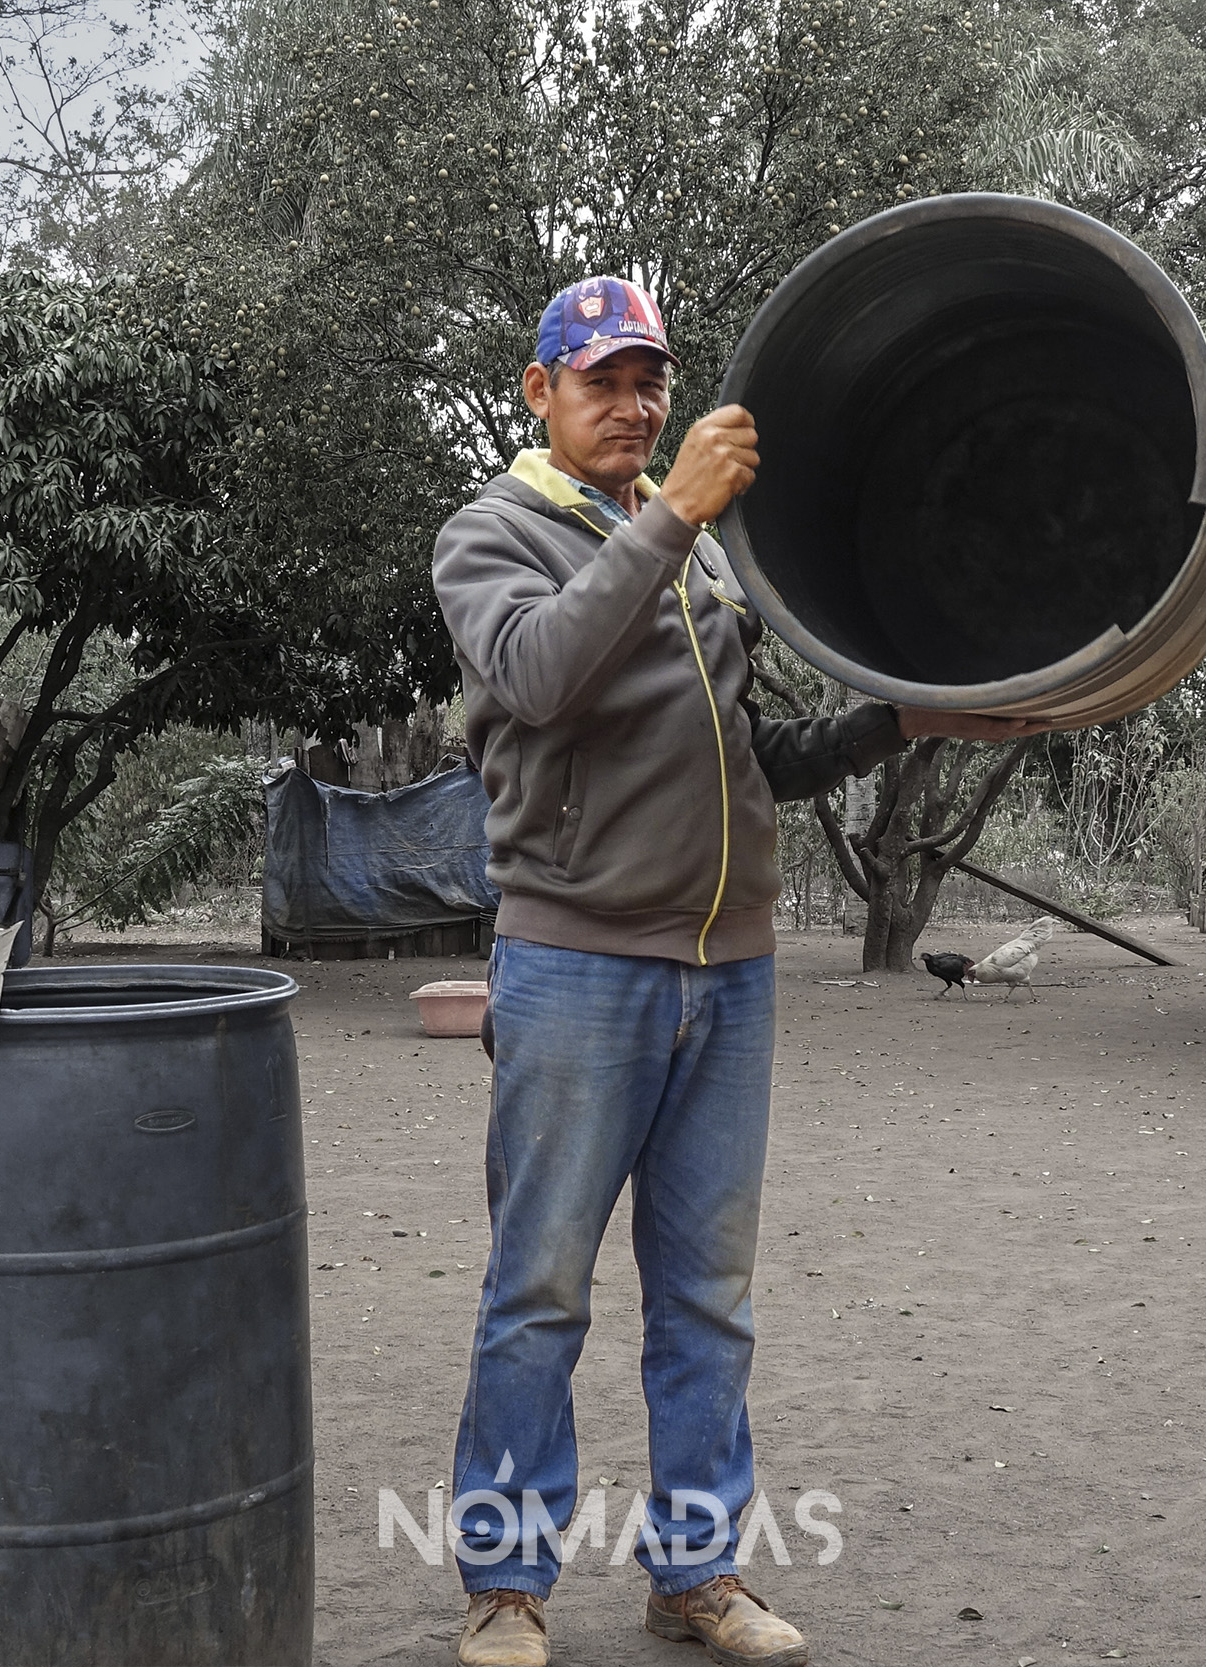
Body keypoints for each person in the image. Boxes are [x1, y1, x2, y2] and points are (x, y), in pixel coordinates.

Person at [430, 275, 1033, 1667]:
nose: (635, 406)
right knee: (540, 1291)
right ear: (540, 394)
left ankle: (693, 1573)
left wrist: (904, 717)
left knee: (708, 1299)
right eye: (604, 382)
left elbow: (752, 761)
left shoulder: (699, 557)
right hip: (577, 967)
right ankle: (506, 1584)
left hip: (730, 974)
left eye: (652, 382)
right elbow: (535, 676)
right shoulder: (495, 535)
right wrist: (675, 513)